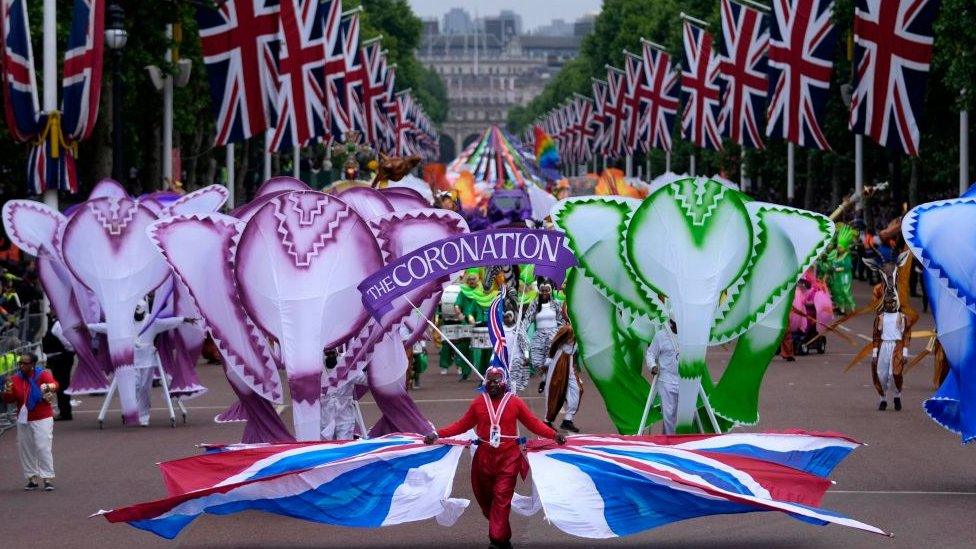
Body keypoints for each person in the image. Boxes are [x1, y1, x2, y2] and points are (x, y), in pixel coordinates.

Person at [424, 367, 565, 549]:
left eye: (497, 380)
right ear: (485, 383)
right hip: (483, 459)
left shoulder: (515, 403)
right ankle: (503, 537)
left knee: (501, 498)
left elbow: (534, 423)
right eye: (489, 380)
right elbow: (461, 425)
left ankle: (496, 540)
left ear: (504, 382)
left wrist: (554, 435)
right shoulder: (478, 403)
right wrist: (437, 434)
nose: (493, 384)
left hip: (509, 458)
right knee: (486, 500)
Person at [87, 300, 198, 426]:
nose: (135, 314)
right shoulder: (125, 323)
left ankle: (143, 416)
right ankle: (130, 412)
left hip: (148, 360)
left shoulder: (152, 322)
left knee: (145, 389)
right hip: (130, 360)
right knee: (133, 387)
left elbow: (168, 322)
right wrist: (88, 326)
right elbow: (107, 327)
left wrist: (184, 319)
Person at [2, 353, 58, 490]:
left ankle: (47, 478)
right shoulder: (15, 379)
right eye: (20, 363)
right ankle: (31, 478)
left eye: (25, 363)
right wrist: (7, 391)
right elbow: (9, 400)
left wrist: (48, 387)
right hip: (23, 418)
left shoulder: (42, 375)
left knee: (42, 446)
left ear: (33, 364)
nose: (21, 365)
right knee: (26, 448)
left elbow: (55, 384)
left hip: (43, 416)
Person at [540, 324, 582, 432]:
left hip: (570, 361)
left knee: (577, 389)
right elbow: (555, 342)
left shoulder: (580, 328)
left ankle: (567, 420)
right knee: (555, 390)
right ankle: (547, 421)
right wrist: (549, 359)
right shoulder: (567, 329)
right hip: (560, 360)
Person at [871, 296, 910, 411]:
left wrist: (905, 352)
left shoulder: (902, 317)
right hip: (884, 347)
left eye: (892, 302)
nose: (890, 304)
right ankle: (883, 399)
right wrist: (874, 352)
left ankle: (897, 396)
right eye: (887, 302)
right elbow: (876, 335)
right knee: (881, 374)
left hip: (897, 346)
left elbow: (906, 335)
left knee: (895, 373)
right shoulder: (880, 317)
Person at [644, 318, 680, 435]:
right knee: (669, 415)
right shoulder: (660, 336)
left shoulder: (688, 335)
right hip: (666, 381)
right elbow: (650, 353)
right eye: (676, 324)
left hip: (684, 380)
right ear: (671, 322)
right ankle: (669, 442)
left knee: (686, 415)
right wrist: (653, 366)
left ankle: (679, 441)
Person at [320, 348, 365, 440]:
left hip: (345, 414)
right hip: (325, 416)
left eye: (333, 353)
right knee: (326, 446)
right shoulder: (316, 367)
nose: (330, 356)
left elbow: (364, 379)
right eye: (327, 354)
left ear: (337, 353)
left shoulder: (346, 363)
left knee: (344, 445)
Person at [525, 281, 563, 375]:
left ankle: (551, 381)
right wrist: (520, 330)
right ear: (540, 291)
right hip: (539, 336)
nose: (545, 292)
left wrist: (561, 336)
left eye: (547, 290)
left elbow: (562, 321)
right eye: (542, 290)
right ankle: (545, 380)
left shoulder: (556, 304)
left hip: (553, 335)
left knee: (551, 361)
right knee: (538, 363)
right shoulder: (535, 304)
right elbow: (527, 319)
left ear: (550, 291)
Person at [42, 316, 75, 421]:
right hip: (59, 358)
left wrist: (68, 352)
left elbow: (67, 342)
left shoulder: (58, 324)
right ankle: (65, 411)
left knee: (62, 385)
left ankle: (65, 412)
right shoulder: (56, 322)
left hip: (61, 358)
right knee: (61, 385)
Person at [503, 310, 530, 392]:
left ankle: (514, 396)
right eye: (505, 317)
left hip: (516, 359)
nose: (507, 319)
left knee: (514, 381)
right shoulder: (501, 330)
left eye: (509, 317)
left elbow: (525, 343)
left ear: (513, 318)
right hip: (504, 359)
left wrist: (526, 355)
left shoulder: (517, 329)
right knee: (505, 382)